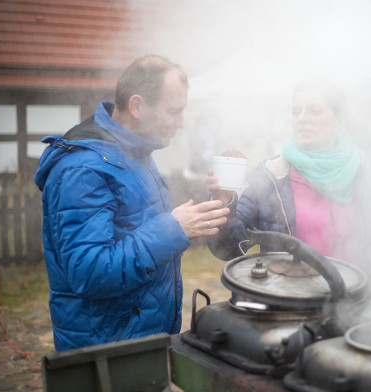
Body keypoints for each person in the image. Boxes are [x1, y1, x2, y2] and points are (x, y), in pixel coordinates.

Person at [34, 55, 230, 351]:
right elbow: (90, 273)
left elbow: (141, 221)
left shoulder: (134, 153)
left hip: (137, 339)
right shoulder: (82, 170)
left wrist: (216, 198)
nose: (182, 122)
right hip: (105, 350)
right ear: (137, 106)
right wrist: (173, 229)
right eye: (174, 111)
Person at [206, 79, 367, 263]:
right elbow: (228, 248)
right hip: (288, 289)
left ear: (339, 119)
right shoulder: (271, 175)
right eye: (296, 112)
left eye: (314, 110)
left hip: (350, 290)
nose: (302, 118)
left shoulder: (363, 171)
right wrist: (223, 203)